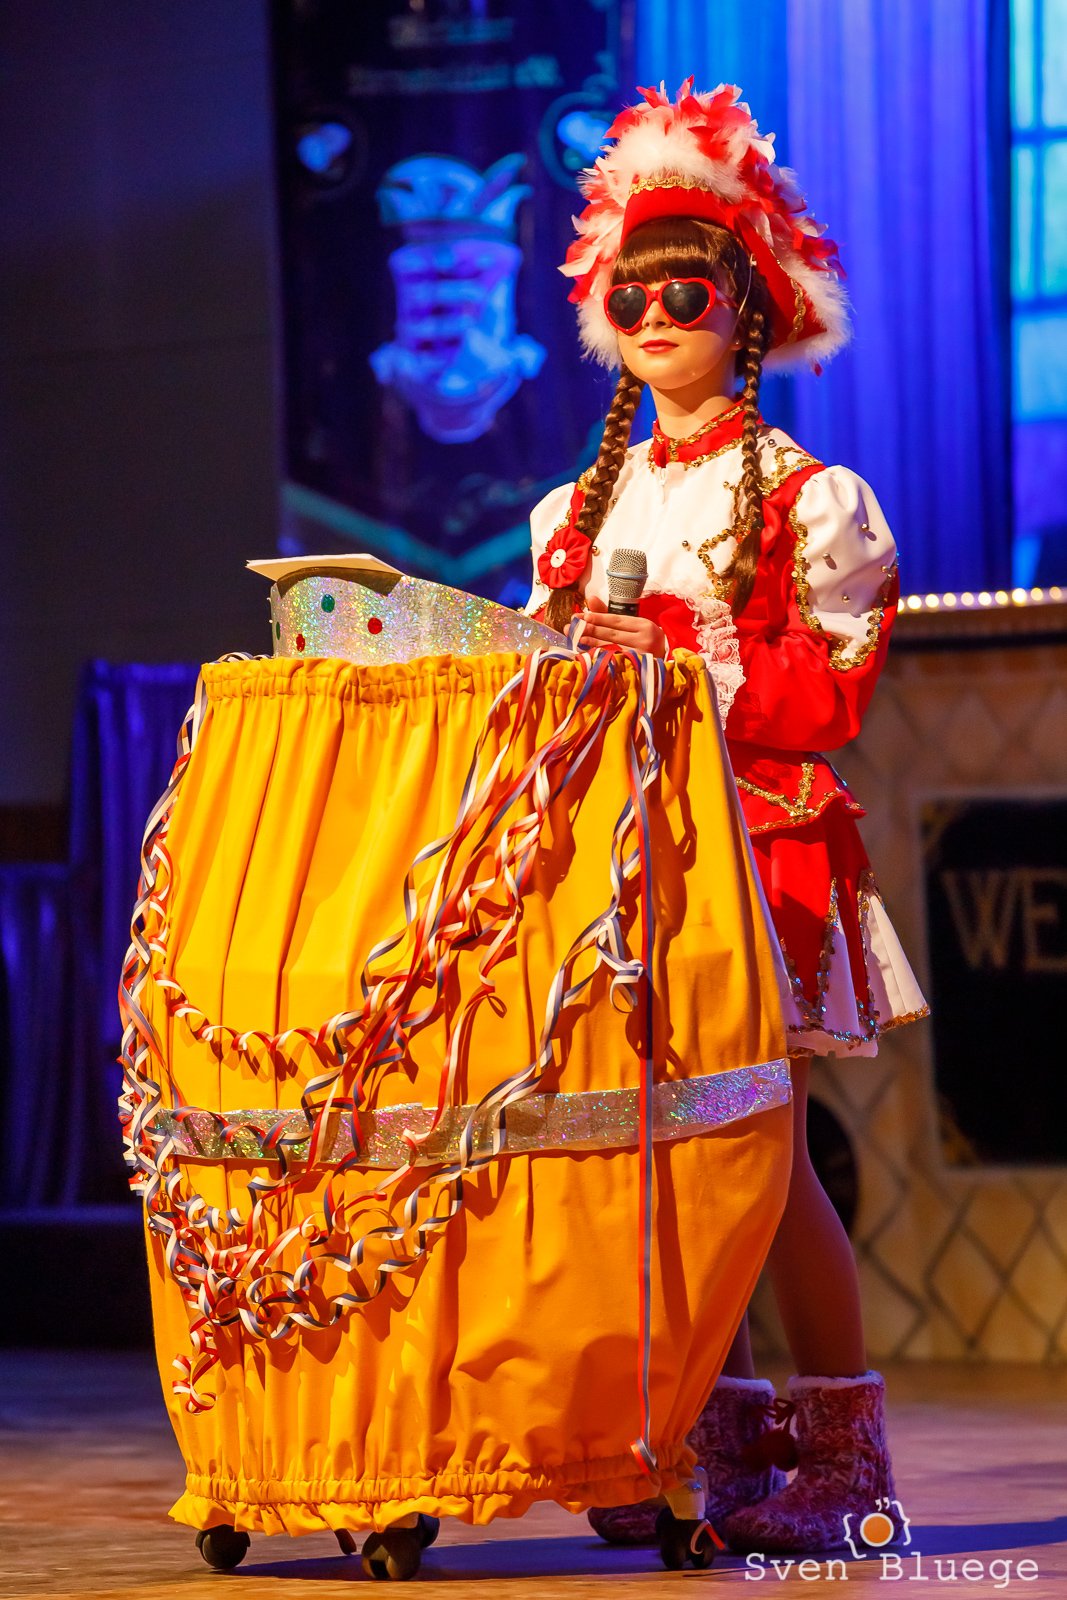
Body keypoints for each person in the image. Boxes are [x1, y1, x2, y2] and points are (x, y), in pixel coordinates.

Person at [523, 81, 928, 1554]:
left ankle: (839, 1456)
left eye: (683, 290)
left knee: (761, 1157)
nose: (652, 313)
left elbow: (827, 700)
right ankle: (719, 1438)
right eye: (629, 293)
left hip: (759, 860)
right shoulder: (574, 515)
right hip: (612, 869)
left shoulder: (816, 502)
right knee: (653, 1166)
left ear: (743, 306)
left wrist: (685, 657)